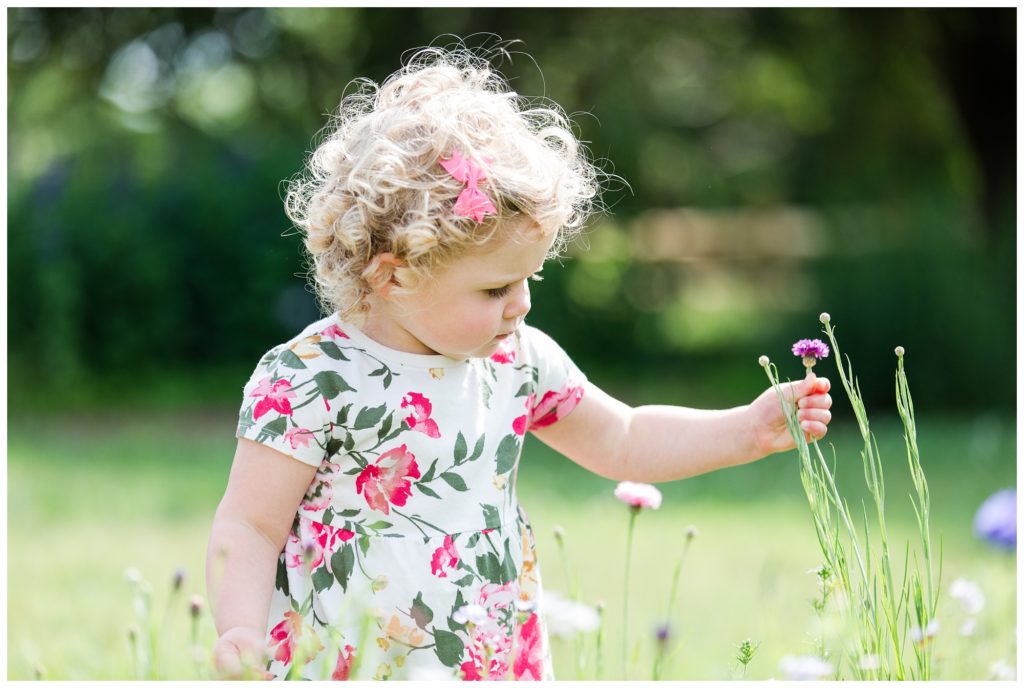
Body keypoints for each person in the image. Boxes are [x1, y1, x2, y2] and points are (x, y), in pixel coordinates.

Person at [205, 44, 833, 681]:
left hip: (488, 657)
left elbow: (626, 438)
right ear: (394, 276)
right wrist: (238, 627)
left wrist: (746, 429)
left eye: (529, 279)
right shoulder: (311, 377)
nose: (521, 304)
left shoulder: (516, 360)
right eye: (495, 289)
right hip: (349, 662)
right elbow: (252, 525)